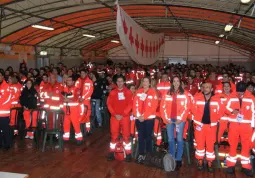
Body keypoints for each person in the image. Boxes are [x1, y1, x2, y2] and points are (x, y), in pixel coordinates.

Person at [160, 76, 190, 170]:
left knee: (180, 139)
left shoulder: (184, 94)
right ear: (172, 82)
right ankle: (172, 157)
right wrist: (165, 119)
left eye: (178, 81)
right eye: (174, 81)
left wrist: (180, 119)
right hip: (169, 120)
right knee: (170, 139)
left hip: (180, 120)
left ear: (180, 82)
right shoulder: (167, 93)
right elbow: (162, 107)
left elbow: (187, 108)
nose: (176, 83)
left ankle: (178, 159)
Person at [225, 82, 254, 177]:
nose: (240, 94)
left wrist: (253, 125)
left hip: (246, 126)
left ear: (245, 90)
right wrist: (232, 111)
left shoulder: (251, 98)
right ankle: (230, 165)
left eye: (242, 92)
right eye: (239, 92)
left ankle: (245, 166)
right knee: (232, 144)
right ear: (236, 90)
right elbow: (224, 108)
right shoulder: (231, 96)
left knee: (246, 146)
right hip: (233, 124)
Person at [192, 82, 221, 172]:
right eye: (204, 87)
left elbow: (221, 111)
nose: (205, 89)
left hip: (211, 127)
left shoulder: (217, 99)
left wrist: (215, 119)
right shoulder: (197, 97)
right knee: (200, 145)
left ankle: (209, 162)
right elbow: (192, 109)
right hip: (199, 126)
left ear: (212, 89)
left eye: (208, 87)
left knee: (210, 146)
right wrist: (197, 121)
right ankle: (200, 161)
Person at [107, 76, 133, 161]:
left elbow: (130, 104)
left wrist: (123, 114)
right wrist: (114, 114)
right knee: (114, 136)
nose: (120, 83)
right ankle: (111, 152)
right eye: (118, 81)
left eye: (121, 81)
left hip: (124, 117)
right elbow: (109, 104)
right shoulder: (112, 92)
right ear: (116, 82)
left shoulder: (128, 92)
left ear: (124, 82)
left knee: (126, 136)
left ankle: (128, 153)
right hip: (114, 117)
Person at [133, 77, 158, 163]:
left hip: (149, 119)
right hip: (139, 118)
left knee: (148, 137)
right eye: (143, 81)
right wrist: (138, 116)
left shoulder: (153, 92)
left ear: (150, 83)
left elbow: (154, 107)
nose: (145, 83)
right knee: (140, 137)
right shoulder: (138, 92)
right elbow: (135, 104)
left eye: (147, 81)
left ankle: (148, 155)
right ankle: (141, 154)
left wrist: (145, 116)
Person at [62, 76, 83, 144]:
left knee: (76, 124)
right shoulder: (65, 88)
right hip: (66, 109)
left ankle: (79, 138)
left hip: (74, 110)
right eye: (67, 80)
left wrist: (68, 99)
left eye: (70, 80)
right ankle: (66, 138)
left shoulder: (76, 89)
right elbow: (61, 96)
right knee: (66, 124)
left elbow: (76, 98)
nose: (68, 82)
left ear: (73, 82)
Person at [75, 69, 93, 134]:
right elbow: (75, 89)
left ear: (86, 73)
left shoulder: (89, 81)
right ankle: (80, 129)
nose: (82, 74)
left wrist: (83, 97)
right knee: (80, 115)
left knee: (87, 115)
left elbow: (90, 91)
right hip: (79, 101)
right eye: (81, 73)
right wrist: (78, 95)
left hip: (86, 101)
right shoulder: (78, 81)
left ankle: (88, 130)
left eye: (83, 73)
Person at [0, 71, 12, 150]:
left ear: (2, 77)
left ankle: (7, 144)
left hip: (3, 112)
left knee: (5, 129)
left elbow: (7, 98)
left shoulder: (6, 86)